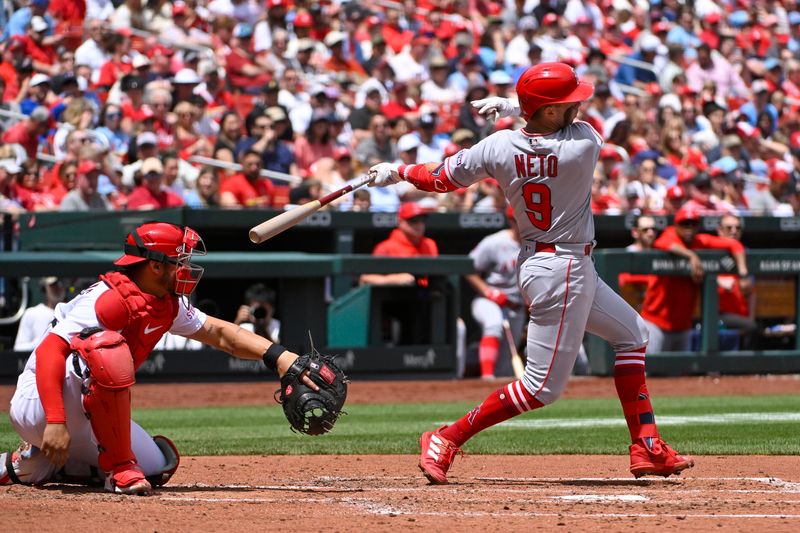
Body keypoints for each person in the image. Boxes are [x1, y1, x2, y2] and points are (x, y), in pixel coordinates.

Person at [368, 62, 694, 484]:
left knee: (633, 334)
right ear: (552, 111)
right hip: (563, 269)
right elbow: (569, 124)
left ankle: (646, 445)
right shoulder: (582, 144)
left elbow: (440, 178)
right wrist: (514, 105)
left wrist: (396, 173)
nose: (577, 105)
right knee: (540, 388)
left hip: (549, 262)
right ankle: (446, 437)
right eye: (568, 102)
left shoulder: (499, 146)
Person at [0, 222, 317, 494]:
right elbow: (48, 351)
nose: (186, 267)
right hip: (41, 402)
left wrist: (279, 356)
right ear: (154, 265)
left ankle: (34, 465)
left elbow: (219, 333)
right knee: (108, 351)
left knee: (156, 466)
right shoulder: (109, 300)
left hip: (82, 412)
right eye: (179, 260)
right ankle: (118, 468)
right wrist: (55, 422)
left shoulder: (166, 302)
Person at [640, 207, 749, 353]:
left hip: (683, 325)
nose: (689, 228)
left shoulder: (700, 241)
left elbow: (733, 244)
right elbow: (663, 243)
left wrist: (742, 271)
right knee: (649, 370)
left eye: (693, 224)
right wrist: (691, 256)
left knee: (680, 374)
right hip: (655, 322)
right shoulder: (670, 234)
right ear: (676, 225)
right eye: (685, 223)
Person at [465, 206, 525, 380]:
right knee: (494, 324)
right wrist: (488, 291)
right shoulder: (494, 242)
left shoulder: (538, 244)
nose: (521, 223)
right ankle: (486, 378)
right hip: (489, 300)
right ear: (510, 221)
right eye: (516, 219)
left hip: (516, 306)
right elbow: (468, 268)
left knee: (505, 366)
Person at [359, 202, 438, 286]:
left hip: (426, 295)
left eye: (422, 220)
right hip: (394, 296)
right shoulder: (386, 247)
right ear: (400, 221)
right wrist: (393, 279)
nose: (419, 225)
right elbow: (365, 278)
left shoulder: (429, 244)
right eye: (414, 220)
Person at [715, 214, 757, 350]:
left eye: (737, 228)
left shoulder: (746, 253)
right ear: (720, 230)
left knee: (751, 326)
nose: (734, 231)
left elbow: (750, 290)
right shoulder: (710, 251)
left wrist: (751, 318)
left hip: (740, 316)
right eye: (729, 227)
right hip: (716, 314)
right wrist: (715, 280)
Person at [13, 277, 65, 352]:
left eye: (61, 283)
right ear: (44, 288)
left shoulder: (72, 312)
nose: (59, 287)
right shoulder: (31, 313)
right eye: (54, 284)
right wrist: (42, 342)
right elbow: (18, 348)